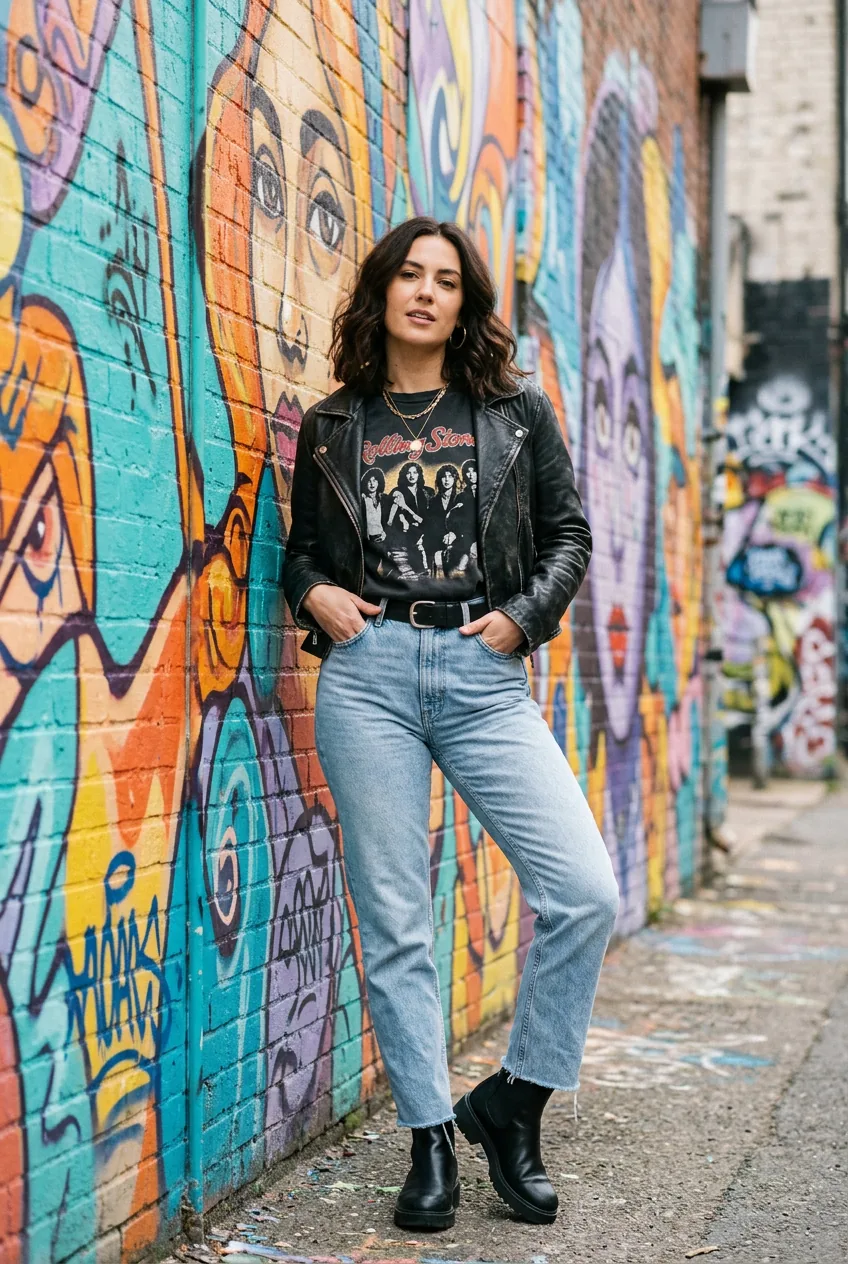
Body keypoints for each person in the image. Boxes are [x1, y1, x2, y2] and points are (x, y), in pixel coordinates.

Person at [283, 216, 620, 1232]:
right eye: (408, 276)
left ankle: (511, 1104)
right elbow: (300, 551)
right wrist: (315, 597)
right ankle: (430, 1137)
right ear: (381, 292)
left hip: (480, 671)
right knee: (394, 919)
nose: (425, 293)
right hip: (368, 676)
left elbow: (566, 532)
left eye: (446, 280)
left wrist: (522, 618)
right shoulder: (332, 423)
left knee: (583, 890)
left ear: (465, 303)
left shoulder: (514, 412)